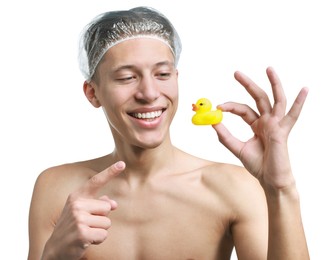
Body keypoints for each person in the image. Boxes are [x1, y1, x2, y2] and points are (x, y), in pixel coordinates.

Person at [28, 6, 310, 260]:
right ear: (93, 92)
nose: (150, 94)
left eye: (162, 74)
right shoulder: (58, 190)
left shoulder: (232, 187)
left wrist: (281, 190)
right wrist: (54, 256)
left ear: (177, 79)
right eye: (127, 77)